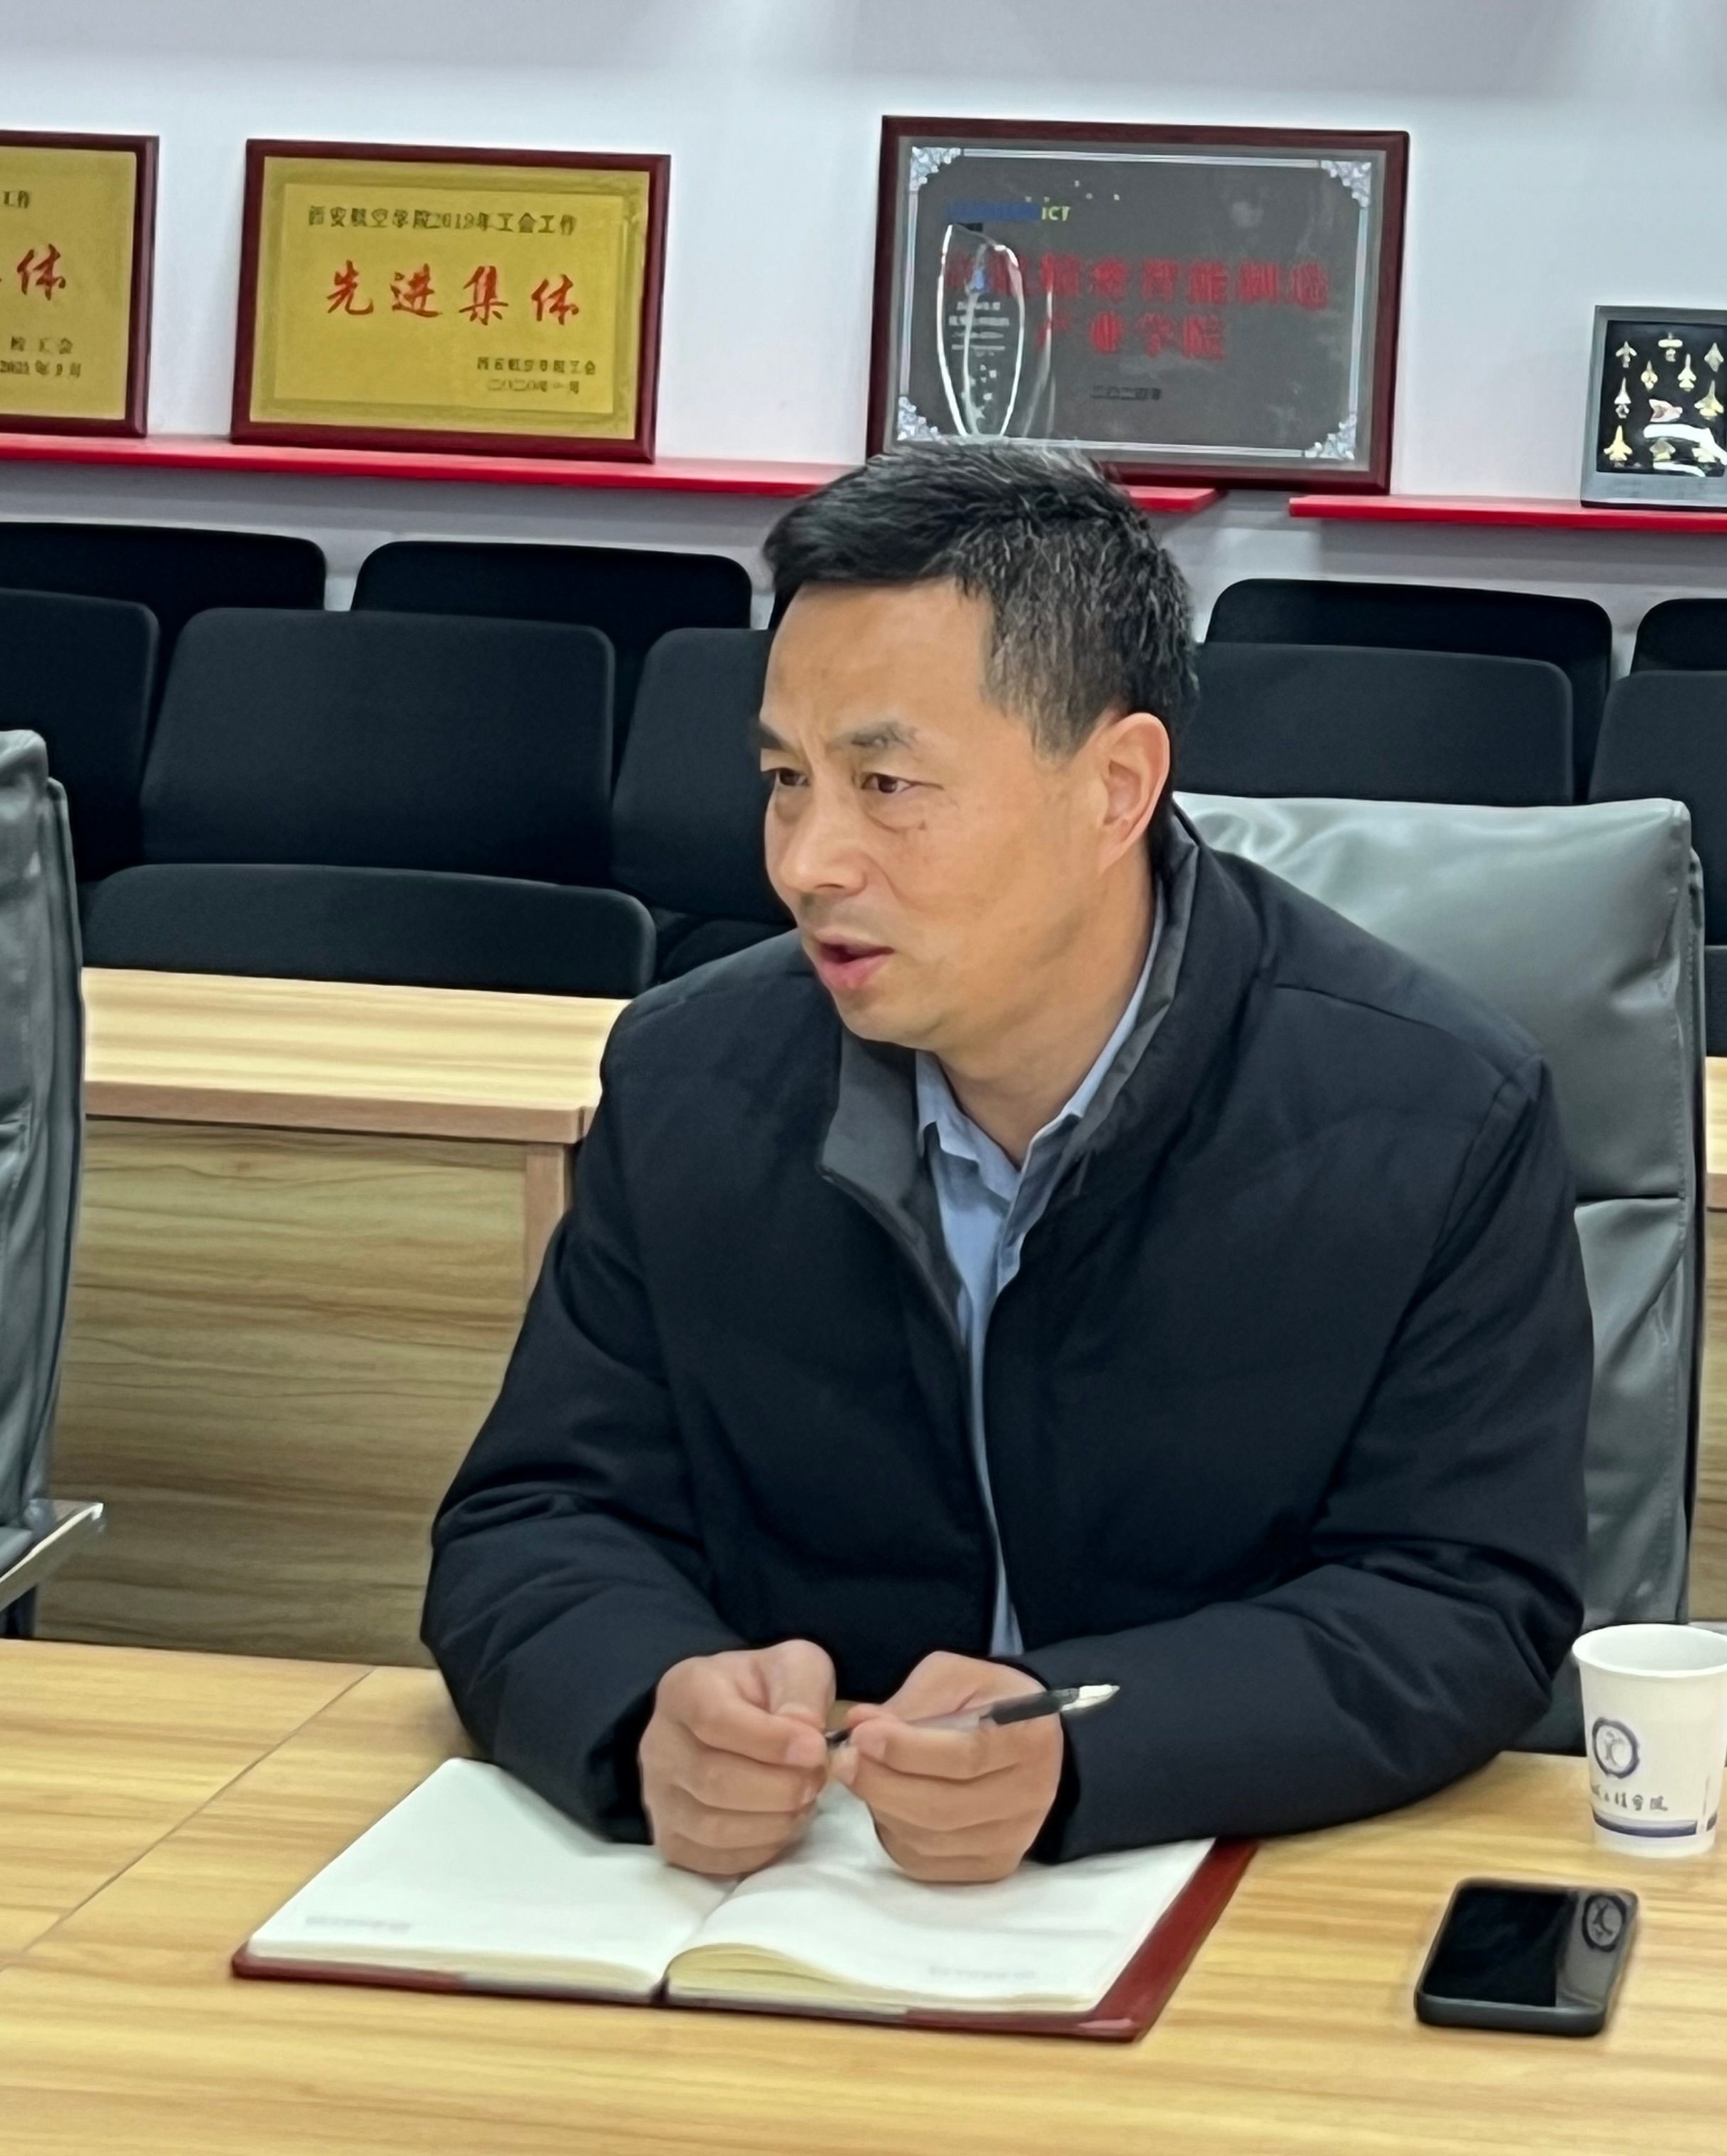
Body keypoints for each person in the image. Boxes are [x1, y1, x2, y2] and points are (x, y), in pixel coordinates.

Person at [424, 441, 1592, 1885]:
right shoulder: (691, 1079)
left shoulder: (1429, 1111)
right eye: (786, 779)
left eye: (887, 783)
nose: (807, 861)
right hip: (798, 1891)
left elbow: (1463, 1600)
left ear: (1115, 788)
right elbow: (534, 1521)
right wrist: (644, 1704)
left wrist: (1087, 1741)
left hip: (1233, 1885)